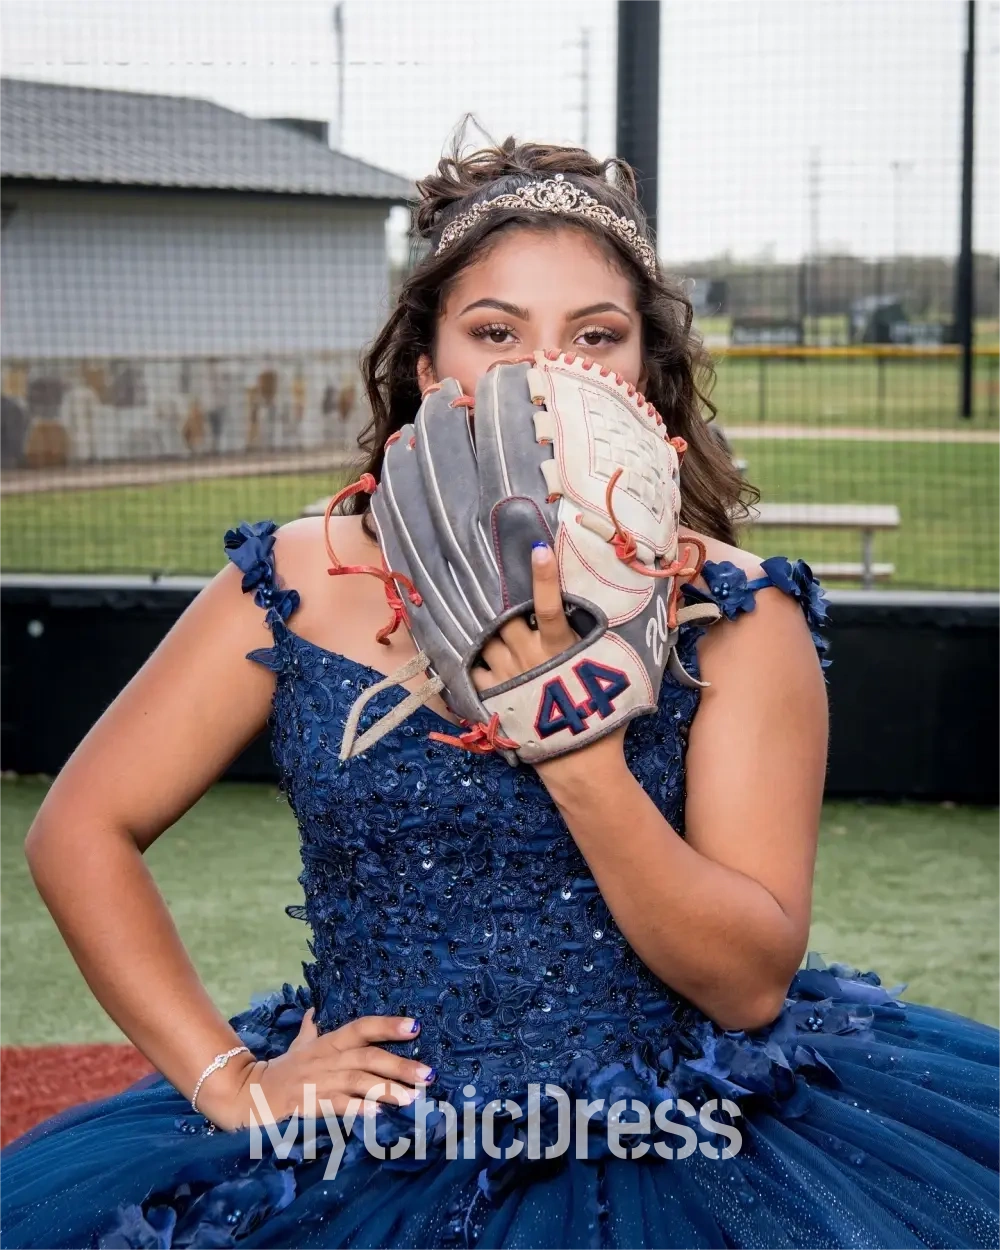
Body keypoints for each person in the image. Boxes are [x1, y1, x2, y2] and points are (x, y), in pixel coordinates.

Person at [2, 136, 999, 1250]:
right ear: (430, 370)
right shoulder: (297, 575)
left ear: (642, 374)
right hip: (357, 1145)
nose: (544, 373)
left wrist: (575, 755)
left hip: (673, 1148)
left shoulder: (734, 607)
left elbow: (748, 984)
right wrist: (230, 1077)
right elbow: (80, 828)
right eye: (495, 332)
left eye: (593, 335)